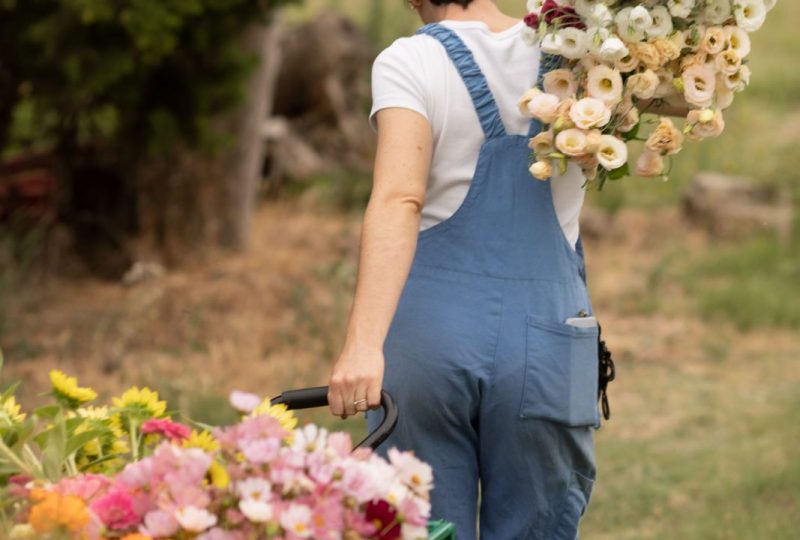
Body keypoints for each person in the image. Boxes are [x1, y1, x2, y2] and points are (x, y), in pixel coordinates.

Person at [327, 1, 599, 538]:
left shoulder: (410, 60)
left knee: (420, 525)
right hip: (548, 345)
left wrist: (362, 345)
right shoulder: (585, 55)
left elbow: (399, 198)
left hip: (428, 340)